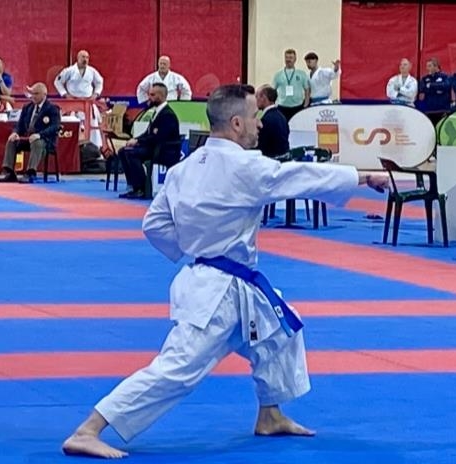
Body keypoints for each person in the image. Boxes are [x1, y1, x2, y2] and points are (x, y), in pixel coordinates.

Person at [60, 83, 389, 459]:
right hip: (217, 294)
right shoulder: (246, 166)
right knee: (178, 368)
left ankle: (270, 414)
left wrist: (191, 247)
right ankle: (89, 429)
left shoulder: (184, 168)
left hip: (220, 281)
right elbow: (300, 176)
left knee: (280, 333)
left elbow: (154, 224)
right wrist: (361, 177)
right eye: (254, 117)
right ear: (236, 123)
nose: (259, 125)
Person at [117, 83, 181, 199]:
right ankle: (132, 185)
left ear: (160, 96)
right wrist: (136, 139)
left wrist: (138, 142)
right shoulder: (157, 112)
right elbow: (148, 133)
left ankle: (141, 188)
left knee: (131, 154)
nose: (149, 98)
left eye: (152, 95)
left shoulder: (168, 115)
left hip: (164, 150)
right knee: (123, 151)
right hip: (154, 146)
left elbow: (158, 137)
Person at [0, 83, 60, 184]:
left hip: (44, 140)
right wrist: (15, 133)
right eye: (32, 94)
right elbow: (19, 125)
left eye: (36, 94)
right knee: (12, 141)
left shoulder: (52, 108)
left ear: (44, 94)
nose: (33, 96)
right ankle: (10, 172)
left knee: (37, 143)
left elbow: (55, 126)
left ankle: (30, 172)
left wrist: (39, 135)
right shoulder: (27, 107)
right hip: (27, 138)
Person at [55, 50, 105, 148]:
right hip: (73, 103)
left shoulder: (92, 71)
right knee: (73, 126)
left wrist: (95, 94)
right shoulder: (69, 71)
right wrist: (65, 94)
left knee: (92, 127)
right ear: (78, 58)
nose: (85, 59)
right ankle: (72, 147)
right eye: (83, 57)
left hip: (88, 102)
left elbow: (100, 82)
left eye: (87, 57)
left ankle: (94, 149)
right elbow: (57, 82)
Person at [272, 49, 310, 120]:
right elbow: (273, 91)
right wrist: (273, 104)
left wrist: (306, 104)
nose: (288, 60)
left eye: (291, 58)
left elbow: (307, 90)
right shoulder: (278, 75)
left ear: (295, 59)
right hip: (282, 107)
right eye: (286, 57)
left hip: (297, 106)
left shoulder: (301, 74)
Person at [255, 85, 288, 158]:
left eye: (256, 96)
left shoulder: (266, 120)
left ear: (263, 98)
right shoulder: (281, 116)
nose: (255, 100)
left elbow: (262, 145)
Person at [417, 57, 452, 125]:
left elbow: (446, 86)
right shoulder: (425, 78)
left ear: (436, 66)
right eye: (427, 66)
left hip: (443, 109)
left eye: (429, 66)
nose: (427, 68)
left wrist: (431, 85)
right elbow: (422, 89)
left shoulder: (445, 76)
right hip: (429, 110)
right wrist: (438, 88)